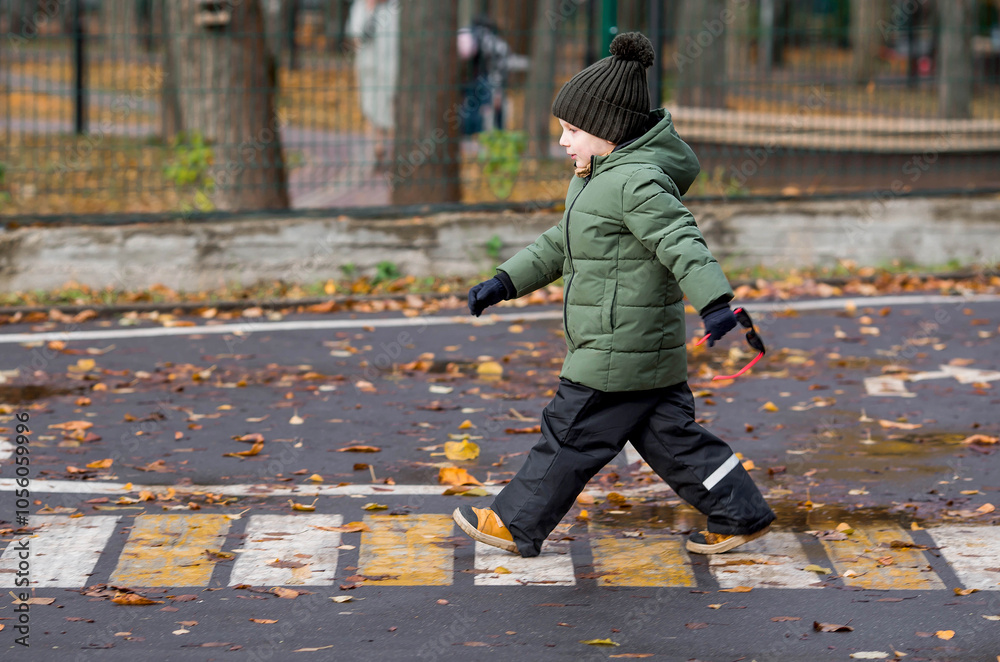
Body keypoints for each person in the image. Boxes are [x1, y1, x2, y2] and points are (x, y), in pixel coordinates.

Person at [453, 32, 775, 559]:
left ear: (609, 132)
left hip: (615, 347)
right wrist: (506, 281)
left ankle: (513, 523)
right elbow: (561, 242)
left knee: (568, 434)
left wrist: (717, 303)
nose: (564, 141)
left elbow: (680, 242)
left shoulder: (635, 182)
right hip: (642, 351)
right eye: (562, 129)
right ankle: (741, 513)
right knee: (675, 442)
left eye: (573, 130)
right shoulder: (594, 177)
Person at [346, 0, 399, 171]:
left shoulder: (396, 6)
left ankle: (396, 153)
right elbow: (357, 36)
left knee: (392, 109)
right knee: (370, 109)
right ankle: (378, 151)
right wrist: (370, 10)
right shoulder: (361, 6)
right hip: (369, 68)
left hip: (392, 68)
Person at [456, 15, 512, 135]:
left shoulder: (468, 33)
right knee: (486, 111)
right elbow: (501, 64)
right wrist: (498, 89)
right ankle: (489, 136)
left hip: (468, 79)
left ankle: (468, 136)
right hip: (485, 81)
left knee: (469, 109)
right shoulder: (494, 41)